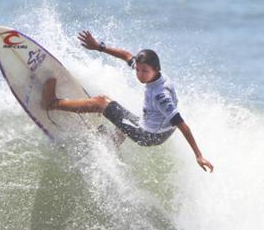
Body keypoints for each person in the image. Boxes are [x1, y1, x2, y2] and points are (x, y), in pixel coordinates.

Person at [41, 30, 214, 173]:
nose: (139, 74)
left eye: (144, 71)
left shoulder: (161, 95)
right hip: (157, 128)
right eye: (138, 70)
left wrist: (198, 155)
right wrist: (98, 47)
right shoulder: (152, 73)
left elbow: (183, 125)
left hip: (149, 135)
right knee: (120, 117)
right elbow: (126, 55)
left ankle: (53, 103)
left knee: (102, 102)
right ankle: (109, 148)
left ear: (156, 69)